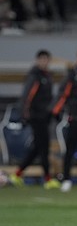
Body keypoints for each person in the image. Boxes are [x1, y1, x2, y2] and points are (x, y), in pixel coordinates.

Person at [9, 50, 60, 189]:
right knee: (43, 147)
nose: (44, 62)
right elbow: (27, 96)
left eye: (46, 59)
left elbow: (49, 99)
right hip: (36, 117)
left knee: (37, 148)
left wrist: (52, 112)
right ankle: (48, 179)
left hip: (44, 117)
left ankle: (17, 174)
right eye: (42, 59)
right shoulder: (35, 76)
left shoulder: (47, 76)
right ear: (38, 60)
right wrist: (25, 114)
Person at [51, 47, 77, 192]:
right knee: (70, 149)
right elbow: (63, 94)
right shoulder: (72, 75)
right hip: (75, 117)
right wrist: (56, 111)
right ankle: (66, 178)